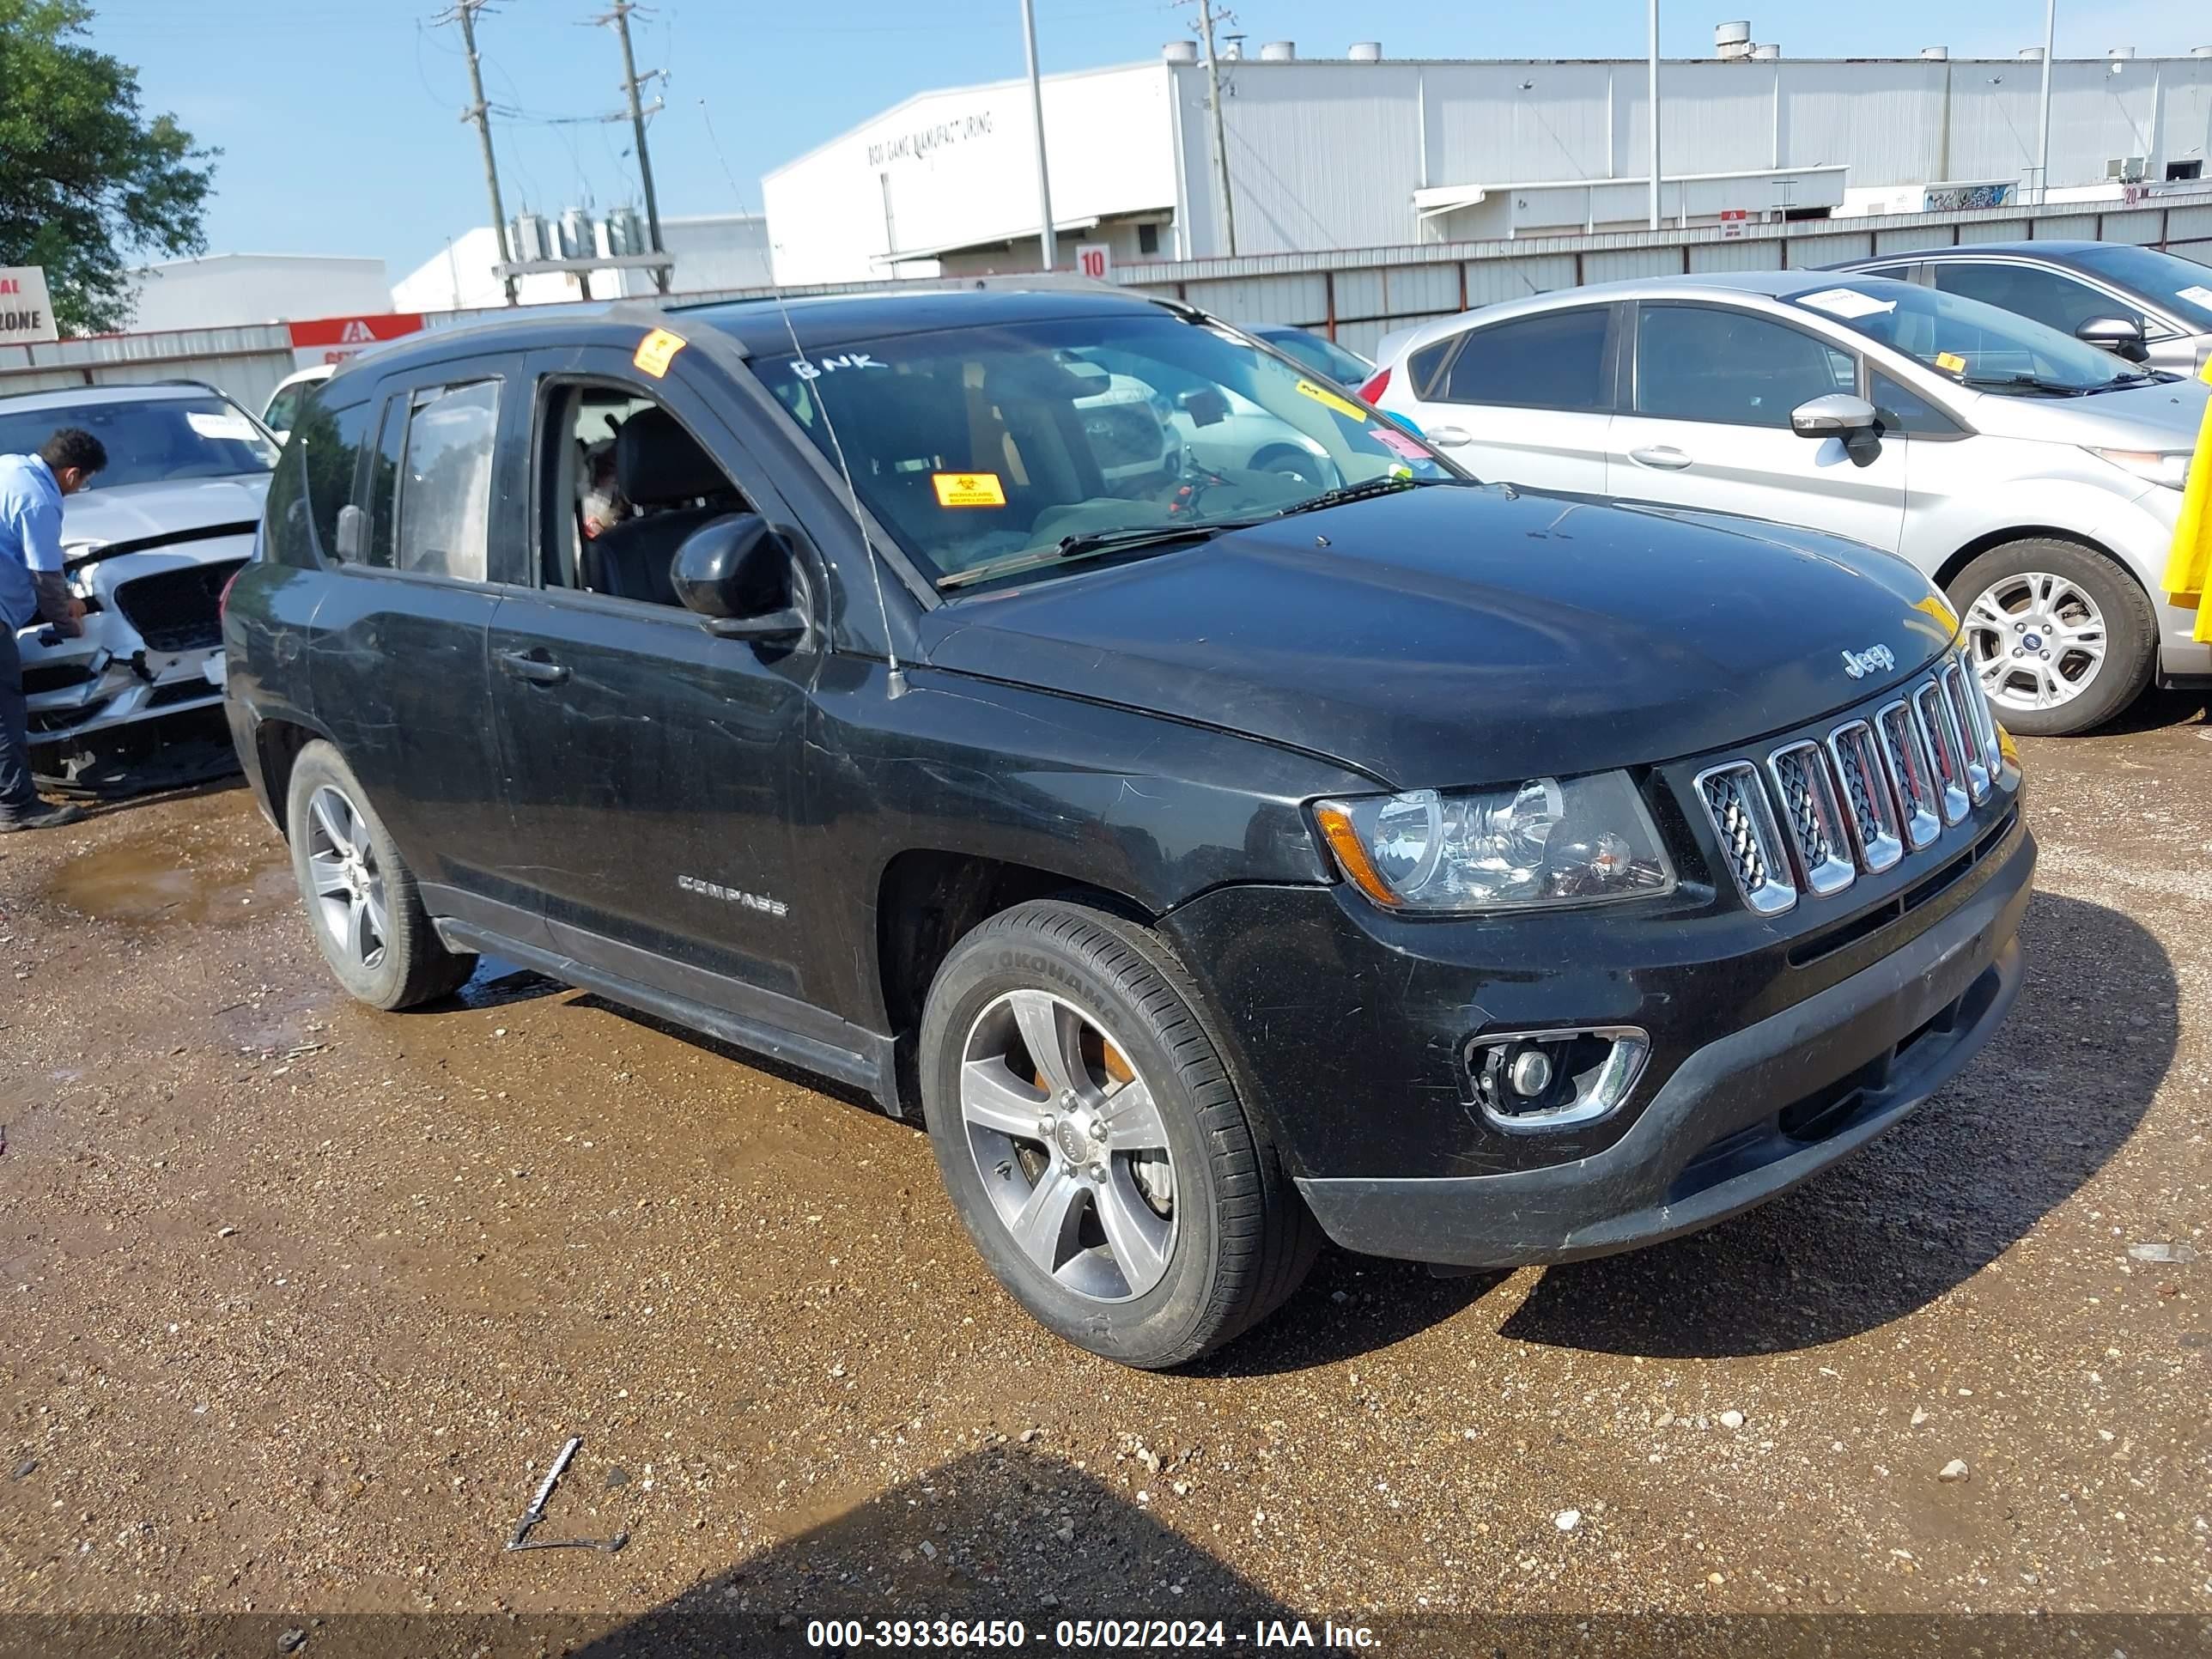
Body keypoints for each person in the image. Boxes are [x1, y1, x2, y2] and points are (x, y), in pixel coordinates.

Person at [0, 428, 107, 831]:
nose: (81, 489)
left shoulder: (9, 467)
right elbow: (45, 576)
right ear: (72, 473)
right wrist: (68, 622)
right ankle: (17, 807)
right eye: (85, 482)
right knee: (4, 712)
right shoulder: (40, 500)